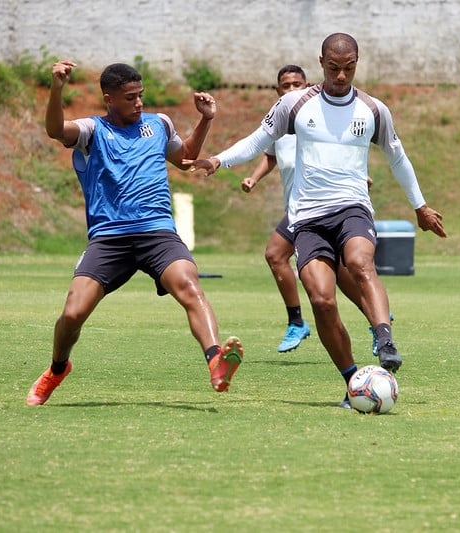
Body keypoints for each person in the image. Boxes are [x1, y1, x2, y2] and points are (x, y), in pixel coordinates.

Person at [185, 33, 446, 407]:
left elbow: (397, 158)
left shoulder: (373, 110)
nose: (341, 76)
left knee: (359, 262)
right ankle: (351, 380)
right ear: (321, 62)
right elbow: (259, 140)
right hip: (307, 217)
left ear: (357, 62)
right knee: (322, 300)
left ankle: (384, 337)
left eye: (349, 68)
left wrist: (419, 207)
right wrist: (217, 160)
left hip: (352, 207)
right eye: (334, 68)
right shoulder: (295, 104)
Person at [26, 60, 243, 406]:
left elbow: (185, 157)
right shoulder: (92, 130)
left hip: (157, 233)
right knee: (73, 313)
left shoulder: (159, 124)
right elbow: (55, 130)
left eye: (141, 95)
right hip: (109, 238)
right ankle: (57, 369)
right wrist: (57, 88)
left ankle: (216, 359)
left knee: (189, 284)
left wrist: (205, 119)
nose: (139, 103)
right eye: (130, 98)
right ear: (109, 98)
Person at [241, 64, 384, 355]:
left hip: (324, 207)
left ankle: (365, 320)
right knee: (329, 270)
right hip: (300, 210)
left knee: (291, 257)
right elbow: (269, 155)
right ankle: (373, 317)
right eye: (286, 85)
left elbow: (345, 152)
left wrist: (357, 178)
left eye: (298, 84)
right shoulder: (280, 121)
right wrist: (253, 178)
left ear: (309, 86)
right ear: (278, 90)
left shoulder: (318, 117)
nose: (292, 90)